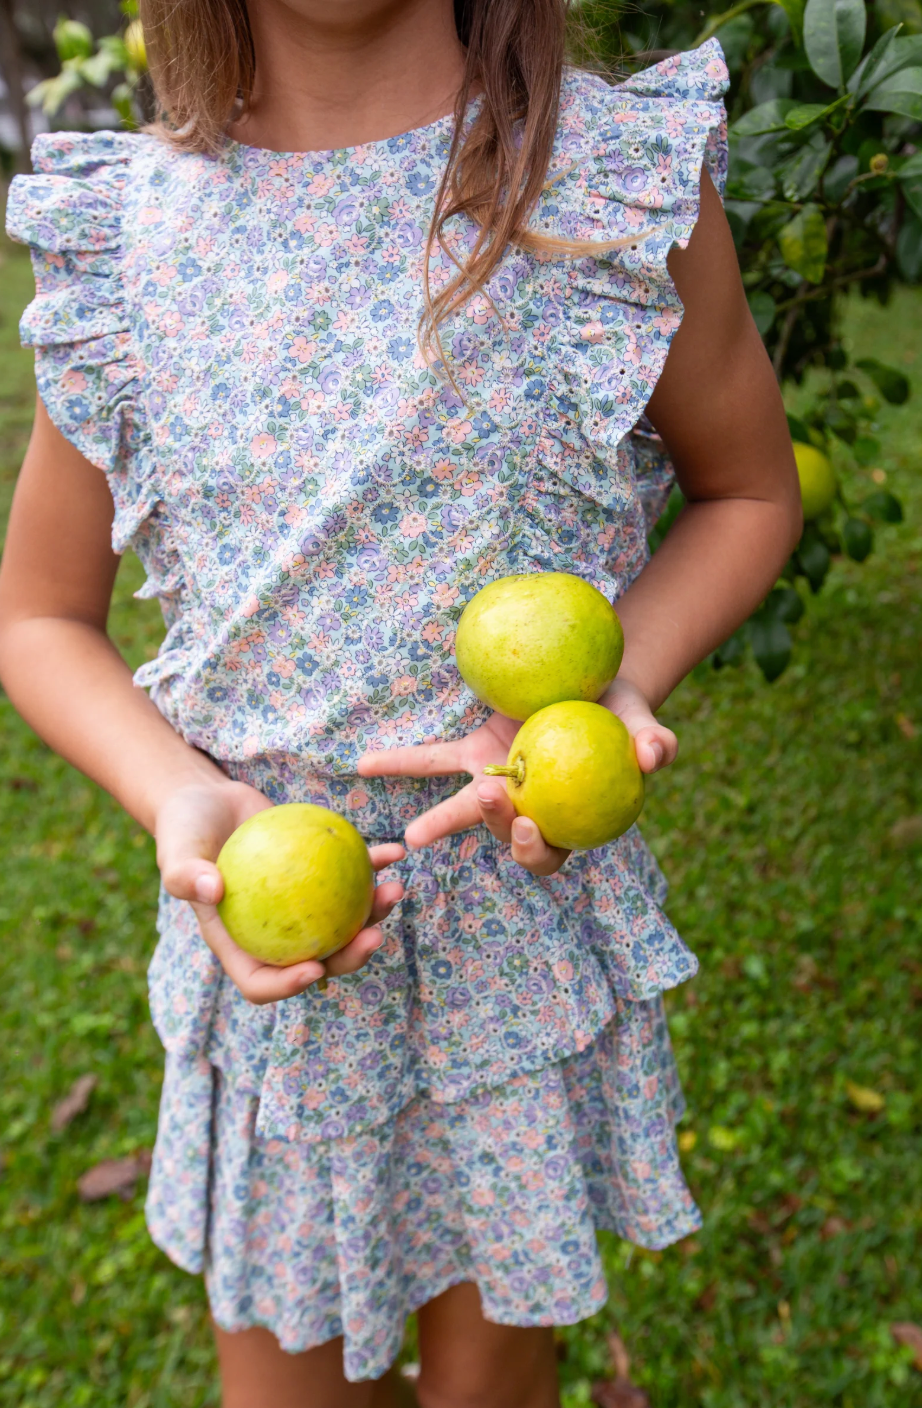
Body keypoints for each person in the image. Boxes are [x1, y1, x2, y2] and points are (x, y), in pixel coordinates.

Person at [0, 2, 801, 1405]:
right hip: (285, 970)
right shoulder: (133, 235)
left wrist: (612, 681)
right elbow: (37, 616)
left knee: (495, 1382)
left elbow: (748, 490)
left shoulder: (605, 179)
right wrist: (177, 791)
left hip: (520, 943)